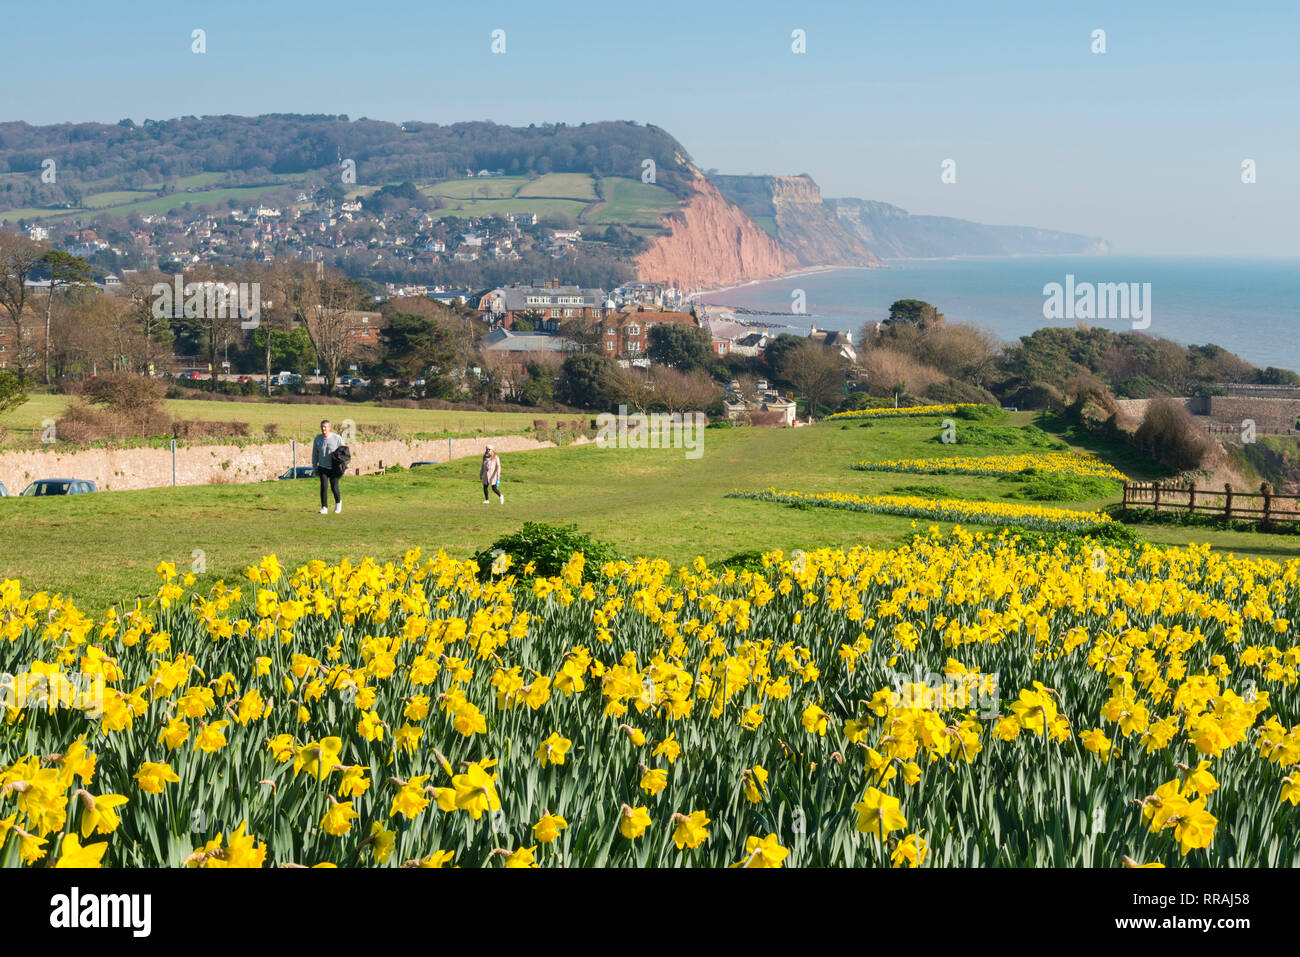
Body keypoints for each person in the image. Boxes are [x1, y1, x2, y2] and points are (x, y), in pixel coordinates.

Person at [312, 419, 343, 514]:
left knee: (334, 487)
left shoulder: (337, 438)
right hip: (322, 467)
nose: (323, 429)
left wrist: (342, 464)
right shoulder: (317, 439)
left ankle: (338, 503)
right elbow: (314, 454)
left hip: (334, 467)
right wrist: (314, 467)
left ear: (329, 428)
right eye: (322, 427)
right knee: (324, 487)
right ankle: (324, 508)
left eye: (325, 427)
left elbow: (343, 452)